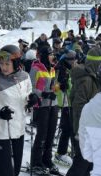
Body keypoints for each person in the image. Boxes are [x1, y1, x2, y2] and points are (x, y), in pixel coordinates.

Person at [0, 45, 33, 176]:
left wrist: (32, 101)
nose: (3, 67)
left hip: (19, 131)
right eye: (1, 63)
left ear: (16, 63)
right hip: (1, 133)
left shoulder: (25, 77)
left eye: (7, 64)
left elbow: (27, 98)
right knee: (6, 172)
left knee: (15, 171)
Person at [66, 47, 101, 176]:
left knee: (90, 163)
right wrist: (80, 131)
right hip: (83, 128)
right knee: (82, 161)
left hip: (91, 127)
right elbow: (79, 106)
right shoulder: (87, 80)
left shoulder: (94, 78)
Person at [29, 46, 60, 175]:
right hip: (41, 106)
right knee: (42, 134)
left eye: (52, 54)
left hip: (53, 104)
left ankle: (47, 159)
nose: (52, 56)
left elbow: (52, 86)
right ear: (43, 55)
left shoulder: (52, 68)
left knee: (51, 134)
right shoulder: (35, 68)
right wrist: (44, 94)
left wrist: (56, 88)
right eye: (50, 54)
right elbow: (30, 88)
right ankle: (36, 162)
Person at [54, 50, 77, 167]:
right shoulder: (62, 69)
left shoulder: (69, 69)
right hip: (65, 102)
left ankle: (65, 151)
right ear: (68, 60)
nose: (74, 61)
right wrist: (62, 85)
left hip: (70, 102)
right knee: (67, 128)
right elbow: (55, 86)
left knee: (70, 128)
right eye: (72, 59)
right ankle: (60, 153)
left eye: (75, 59)